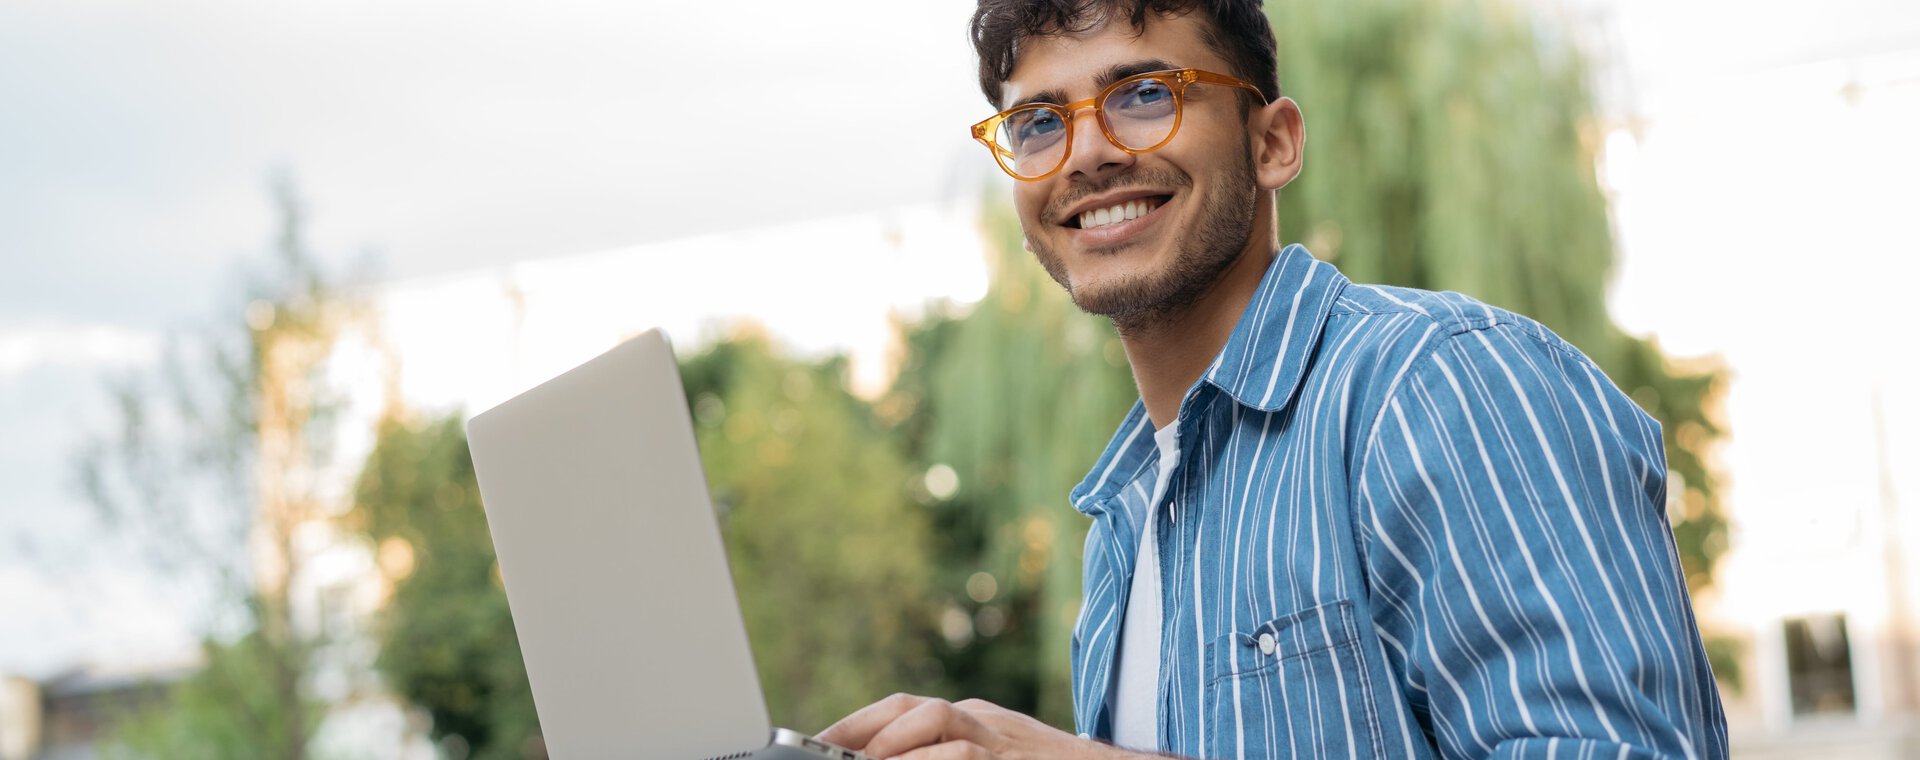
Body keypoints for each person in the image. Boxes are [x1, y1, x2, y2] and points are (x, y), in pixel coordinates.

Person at [819, 1, 1728, 757]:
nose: (1086, 153)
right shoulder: (1121, 526)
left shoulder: (1440, 386)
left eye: (1143, 94)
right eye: (1039, 122)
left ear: (1274, 144)